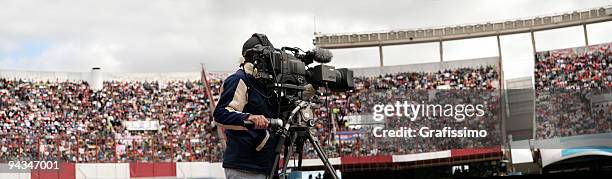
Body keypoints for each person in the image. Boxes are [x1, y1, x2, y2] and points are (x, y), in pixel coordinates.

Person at [214, 33, 280, 179]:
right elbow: (220, 114)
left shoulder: (266, 86)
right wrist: (249, 118)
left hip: (268, 166)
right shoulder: (239, 79)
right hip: (245, 168)